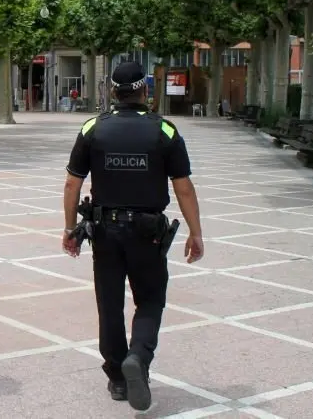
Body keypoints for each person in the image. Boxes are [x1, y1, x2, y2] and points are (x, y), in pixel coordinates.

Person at [61, 61, 205, 412]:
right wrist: (196, 233)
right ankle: (138, 357)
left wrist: (69, 230)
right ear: (146, 91)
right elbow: (184, 188)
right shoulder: (165, 131)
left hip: (105, 231)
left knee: (109, 304)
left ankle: (117, 379)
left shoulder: (94, 128)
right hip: (148, 234)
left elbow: (72, 183)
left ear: (113, 91)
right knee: (151, 300)